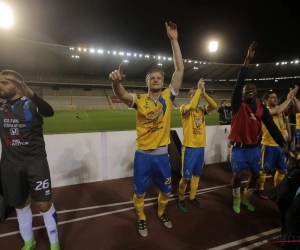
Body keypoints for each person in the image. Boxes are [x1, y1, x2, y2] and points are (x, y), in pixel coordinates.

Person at [109, 22, 184, 237]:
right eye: (152, 77)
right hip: (143, 155)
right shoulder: (140, 100)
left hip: (162, 155)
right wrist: (115, 83)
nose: (156, 79)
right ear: (147, 82)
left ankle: (161, 213)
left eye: (159, 77)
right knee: (139, 193)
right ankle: (142, 217)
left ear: (163, 82)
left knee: (167, 191)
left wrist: (174, 40)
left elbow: (179, 70)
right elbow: (122, 95)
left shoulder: (169, 97)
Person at [0, 70, 60, 250]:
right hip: (10, 164)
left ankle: (54, 242)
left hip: (36, 162)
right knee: (20, 204)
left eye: (4, 82)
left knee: (43, 204)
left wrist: (30, 94)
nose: (0, 86)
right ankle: (29, 241)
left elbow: (49, 112)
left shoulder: (32, 104)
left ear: (18, 84)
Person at [228, 41, 289, 214]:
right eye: (246, 89)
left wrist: (282, 142)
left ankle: (246, 198)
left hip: (255, 149)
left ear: (256, 93)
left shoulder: (262, 108)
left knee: (255, 175)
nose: (249, 90)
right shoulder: (237, 105)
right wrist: (247, 61)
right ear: (242, 93)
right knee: (237, 176)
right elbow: (239, 82)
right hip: (238, 149)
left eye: (253, 89)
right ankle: (237, 198)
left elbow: (271, 127)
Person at [176, 78, 217, 212]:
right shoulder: (184, 108)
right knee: (186, 177)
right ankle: (181, 198)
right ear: (189, 97)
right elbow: (192, 106)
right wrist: (199, 89)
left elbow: (215, 106)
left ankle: (192, 198)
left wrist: (204, 94)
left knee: (197, 175)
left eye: (197, 94)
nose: (196, 96)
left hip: (200, 148)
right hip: (189, 148)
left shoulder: (202, 110)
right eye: (193, 94)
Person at [258, 88, 297, 200]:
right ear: (265, 100)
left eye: (276, 97)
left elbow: (287, 119)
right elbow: (276, 112)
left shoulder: (280, 109)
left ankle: (277, 189)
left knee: (283, 170)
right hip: (268, 144)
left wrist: (289, 132)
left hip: (281, 145)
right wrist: (289, 98)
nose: (275, 99)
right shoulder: (264, 110)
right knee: (264, 169)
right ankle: (260, 188)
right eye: (272, 97)